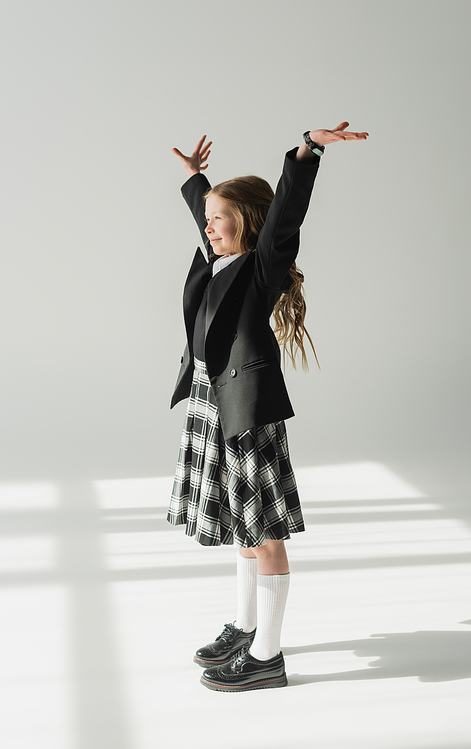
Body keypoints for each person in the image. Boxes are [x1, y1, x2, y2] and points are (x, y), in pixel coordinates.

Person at [167, 123, 369, 692]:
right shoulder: (217, 258)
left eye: (218, 217)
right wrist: (197, 184)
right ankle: (247, 625)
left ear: (248, 224)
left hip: (247, 410)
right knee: (241, 526)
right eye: (207, 218)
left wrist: (307, 151)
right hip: (212, 403)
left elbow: (285, 216)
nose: (208, 226)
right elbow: (205, 218)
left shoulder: (260, 267)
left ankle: (267, 657)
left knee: (264, 532)